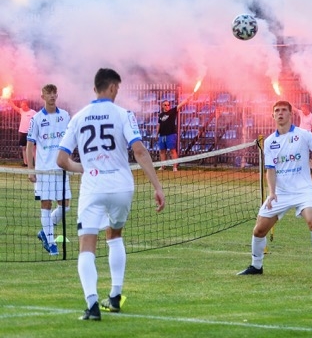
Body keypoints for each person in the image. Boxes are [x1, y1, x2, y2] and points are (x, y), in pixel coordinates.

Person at [57, 68, 165, 321]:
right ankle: (115, 296)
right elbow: (139, 151)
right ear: (114, 87)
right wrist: (157, 186)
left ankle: (92, 305)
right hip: (121, 187)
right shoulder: (123, 114)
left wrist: (81, 167)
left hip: (93, 187)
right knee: (115, 235)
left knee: (87, 246)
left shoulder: (79, 117)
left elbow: (61, 159)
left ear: (95, 88)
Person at [237, 100, 312, 279]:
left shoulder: (303, 135)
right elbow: (271, 170)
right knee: (259, 230)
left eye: (284, 110)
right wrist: (272, 193)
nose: (280, 113)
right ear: (273, 115)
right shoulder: (269, 142)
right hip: (280, 193)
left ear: (291, 114)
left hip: (303, 191)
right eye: (277, 111)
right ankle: (256, 265)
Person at [26, 84, 71, 256]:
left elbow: (70, 138)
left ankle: (45, 231)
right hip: (44, 170)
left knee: (65, 207)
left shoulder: (65, 116)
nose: (52, 96)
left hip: (61, 168)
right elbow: (30, 144)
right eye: (48, 93)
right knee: (46, 204)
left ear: (57, 95)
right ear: (42, 96)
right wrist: (31, 170)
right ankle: (51, 242)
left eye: (54, 93)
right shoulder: (36, 119)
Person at [156, 91, 195, 172]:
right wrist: (157, 133)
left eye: (168, 105)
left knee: (172, 150)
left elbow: (181, 104)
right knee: (162, 151)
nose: (167, 106)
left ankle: (174, 167)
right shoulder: (160, 115)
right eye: (165, 105)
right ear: (162, 106)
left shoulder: (173, 111)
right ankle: (163, 166)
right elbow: (159, 125)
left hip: (171, 134)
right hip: (162, 135)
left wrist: (188, 98)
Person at [9, 98, 37, 167]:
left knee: (33, 148)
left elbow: (37, 121)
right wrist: (9, 100)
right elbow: (14, 107)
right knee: (24, 148)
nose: (21, 107)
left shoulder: (33, 112)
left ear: (26, 105)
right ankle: (25, 163)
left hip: (31, 132)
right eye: (21, 106)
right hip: (23, 132)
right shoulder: (21, 111)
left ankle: (36, 163)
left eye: (23, 105)